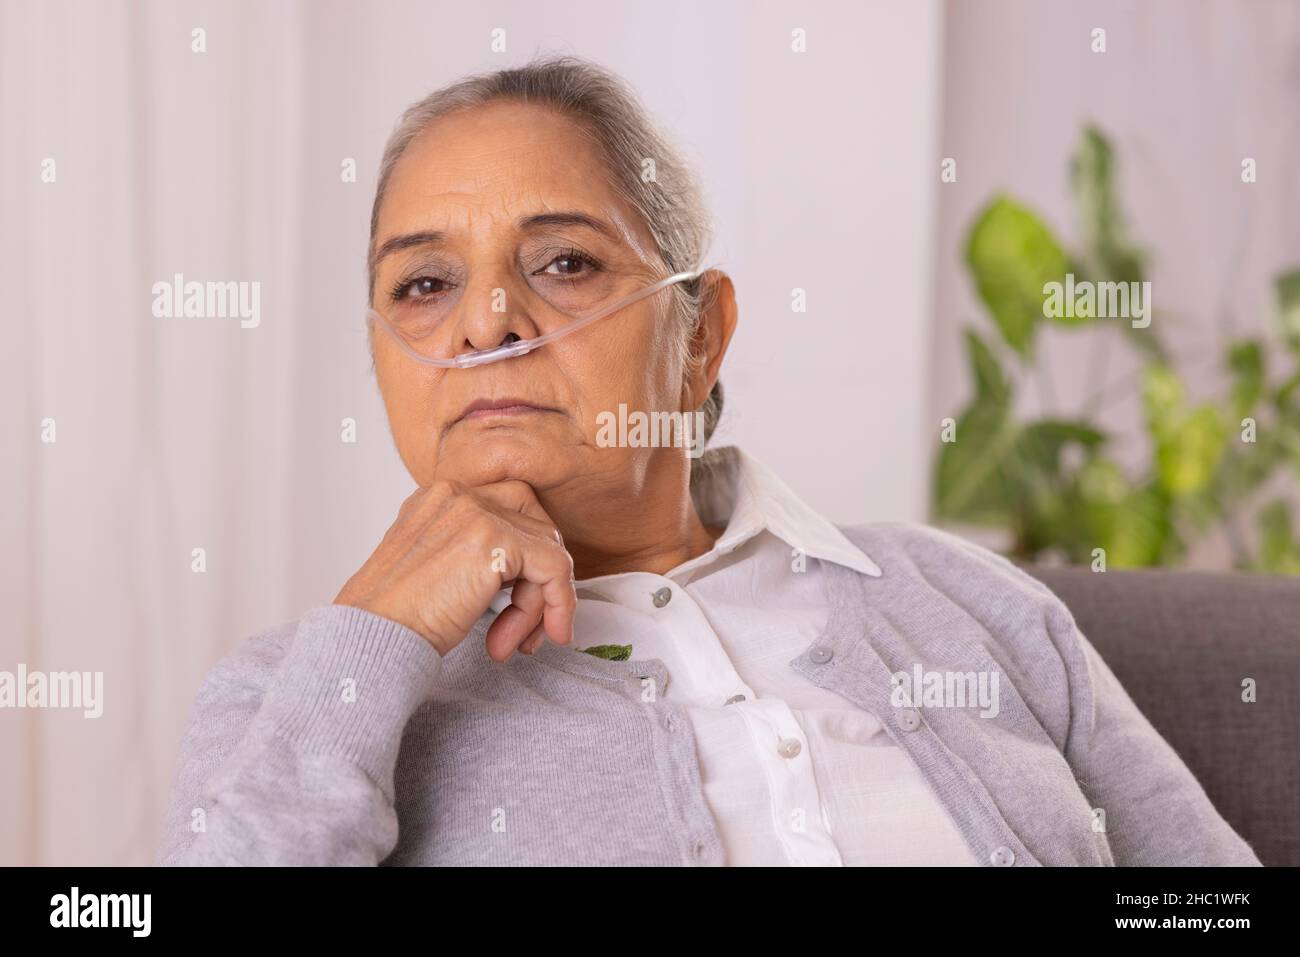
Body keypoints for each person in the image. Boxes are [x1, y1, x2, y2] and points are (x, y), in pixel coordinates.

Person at [157, 55, 1260, 867]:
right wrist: (378, 635)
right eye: (424, 284)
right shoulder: (295, 694)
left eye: (563, 262)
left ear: (700, 336)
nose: (487, 320)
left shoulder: (970, 603)